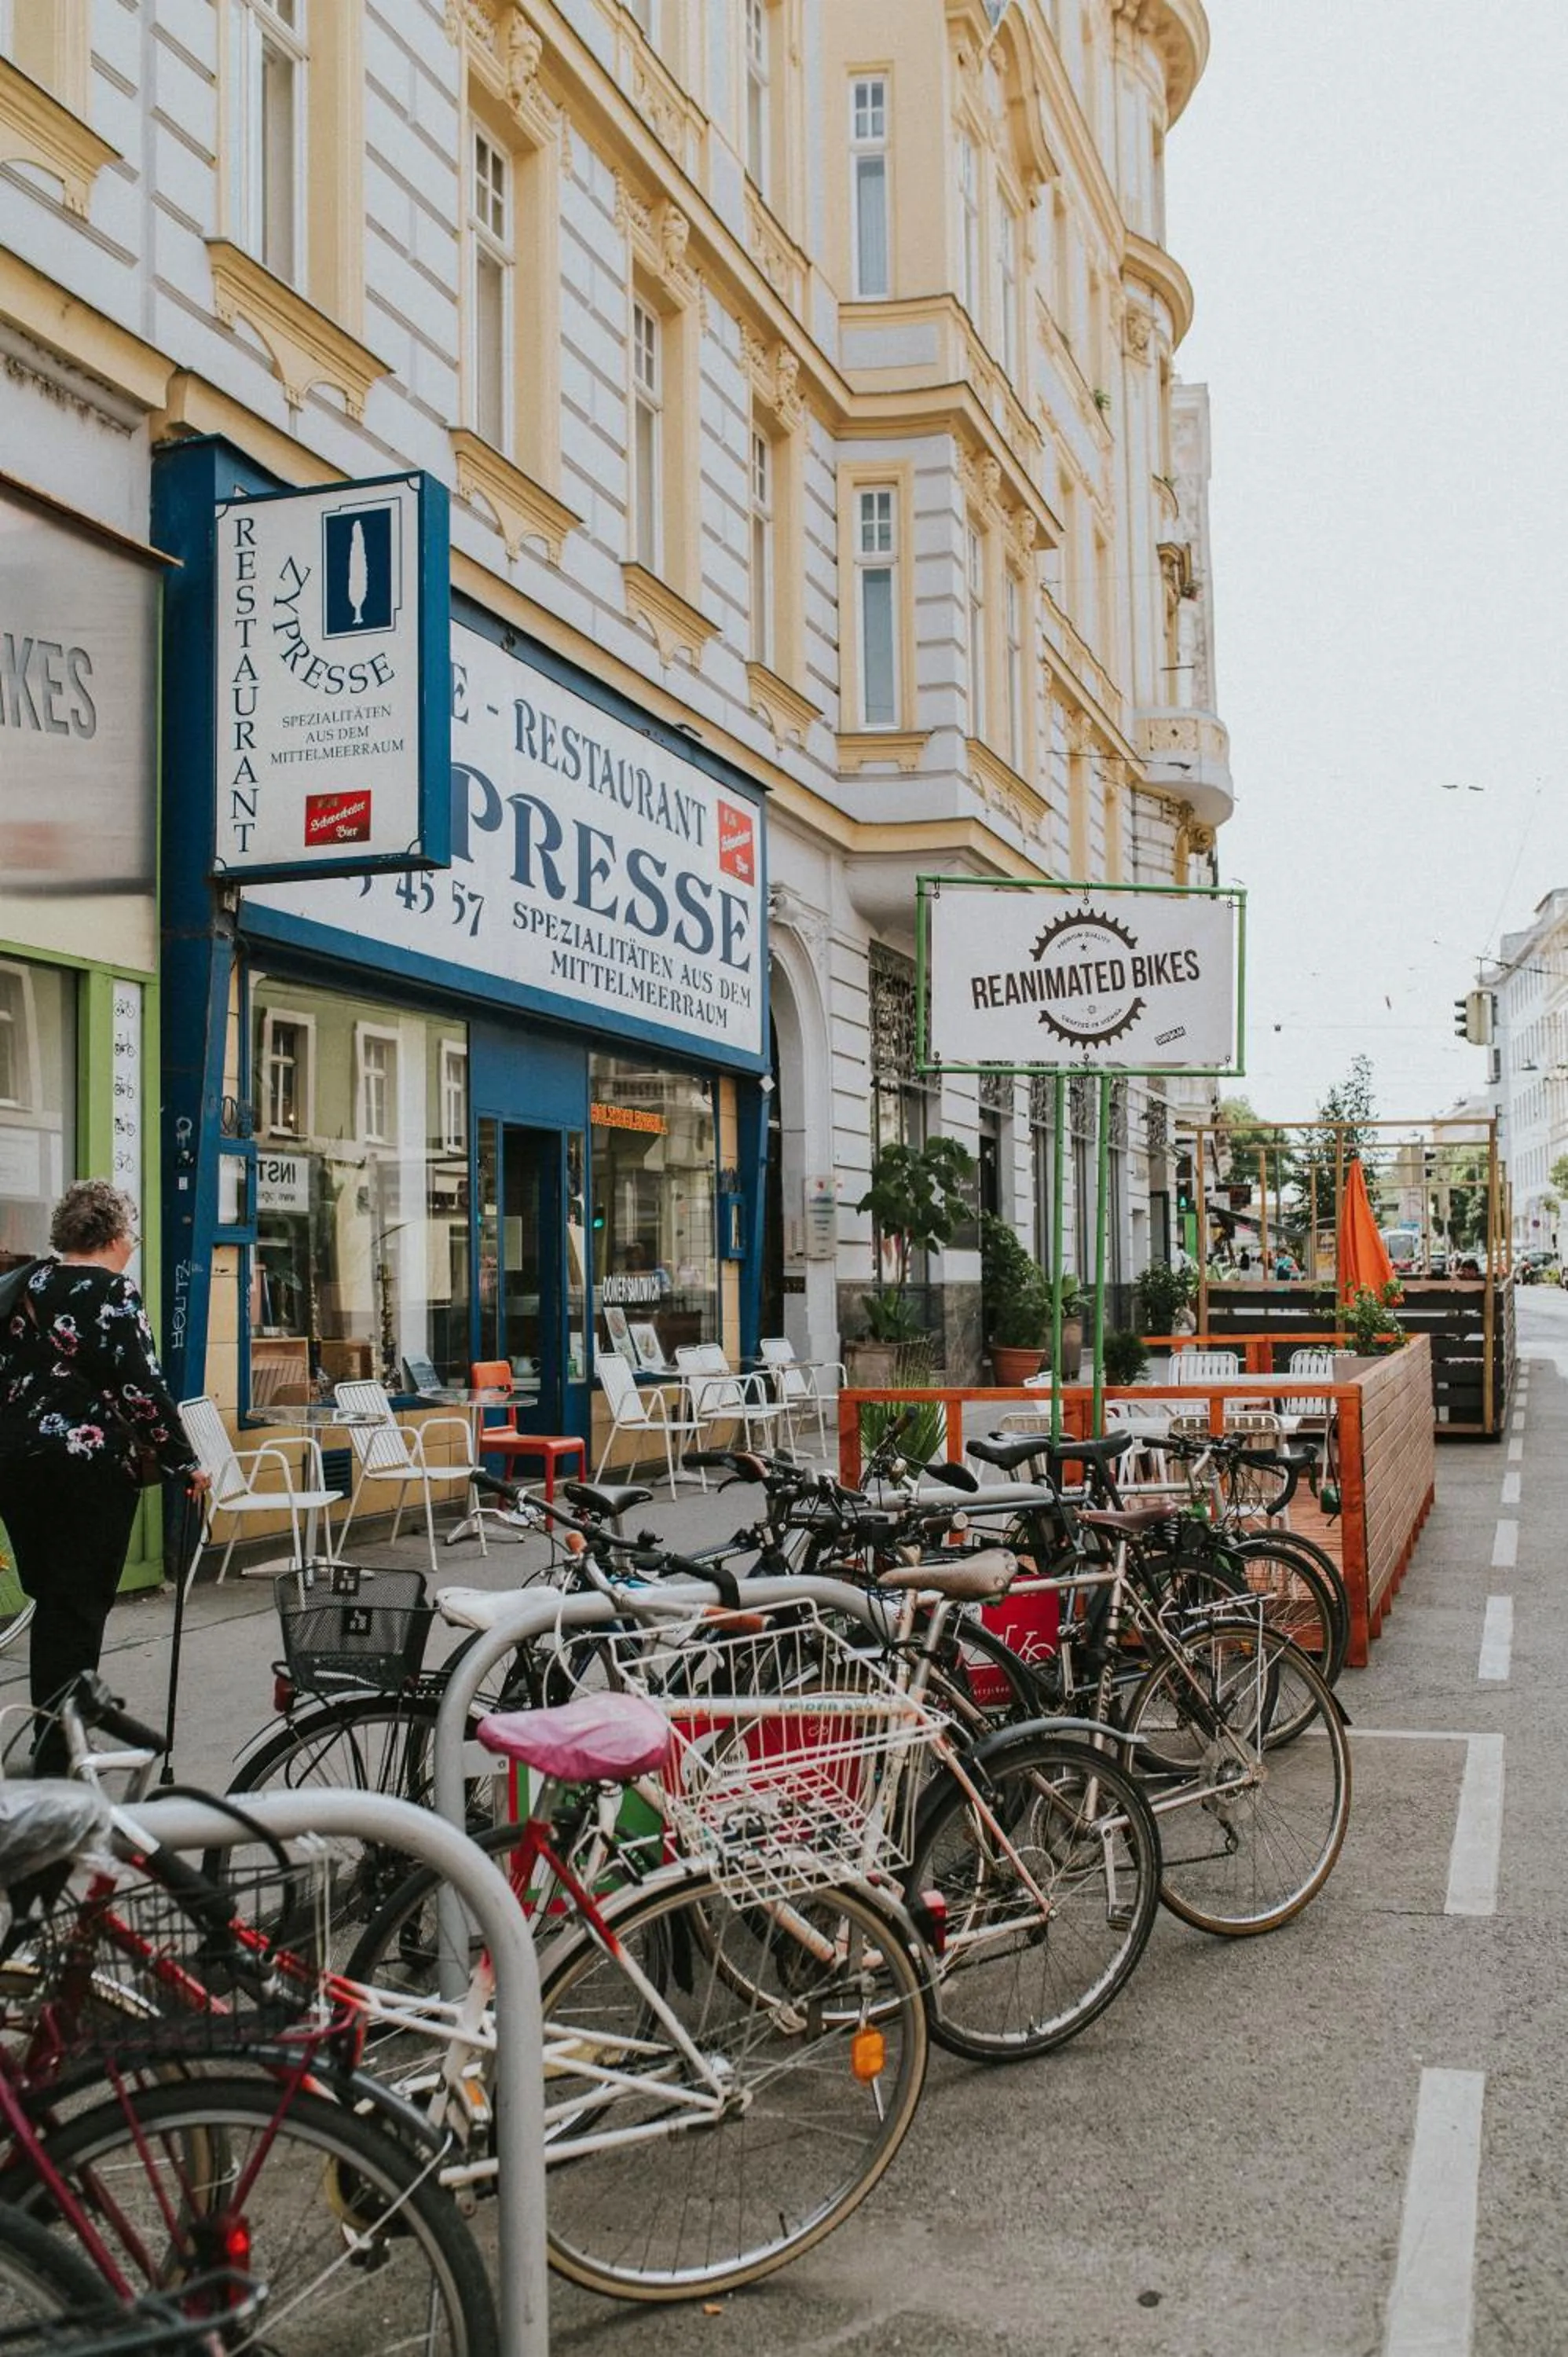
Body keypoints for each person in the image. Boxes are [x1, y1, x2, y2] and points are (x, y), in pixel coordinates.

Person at [0, 1180, 209, 1765]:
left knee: (54, 1599)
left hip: (16, 1464)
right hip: (85, 1469)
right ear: (117, 1237)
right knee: (80, 1600)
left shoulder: (25, 1285)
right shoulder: (113, 1291)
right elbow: (142, 1387)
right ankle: (61, 1747)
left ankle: (55, 1732)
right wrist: (184, 1463)